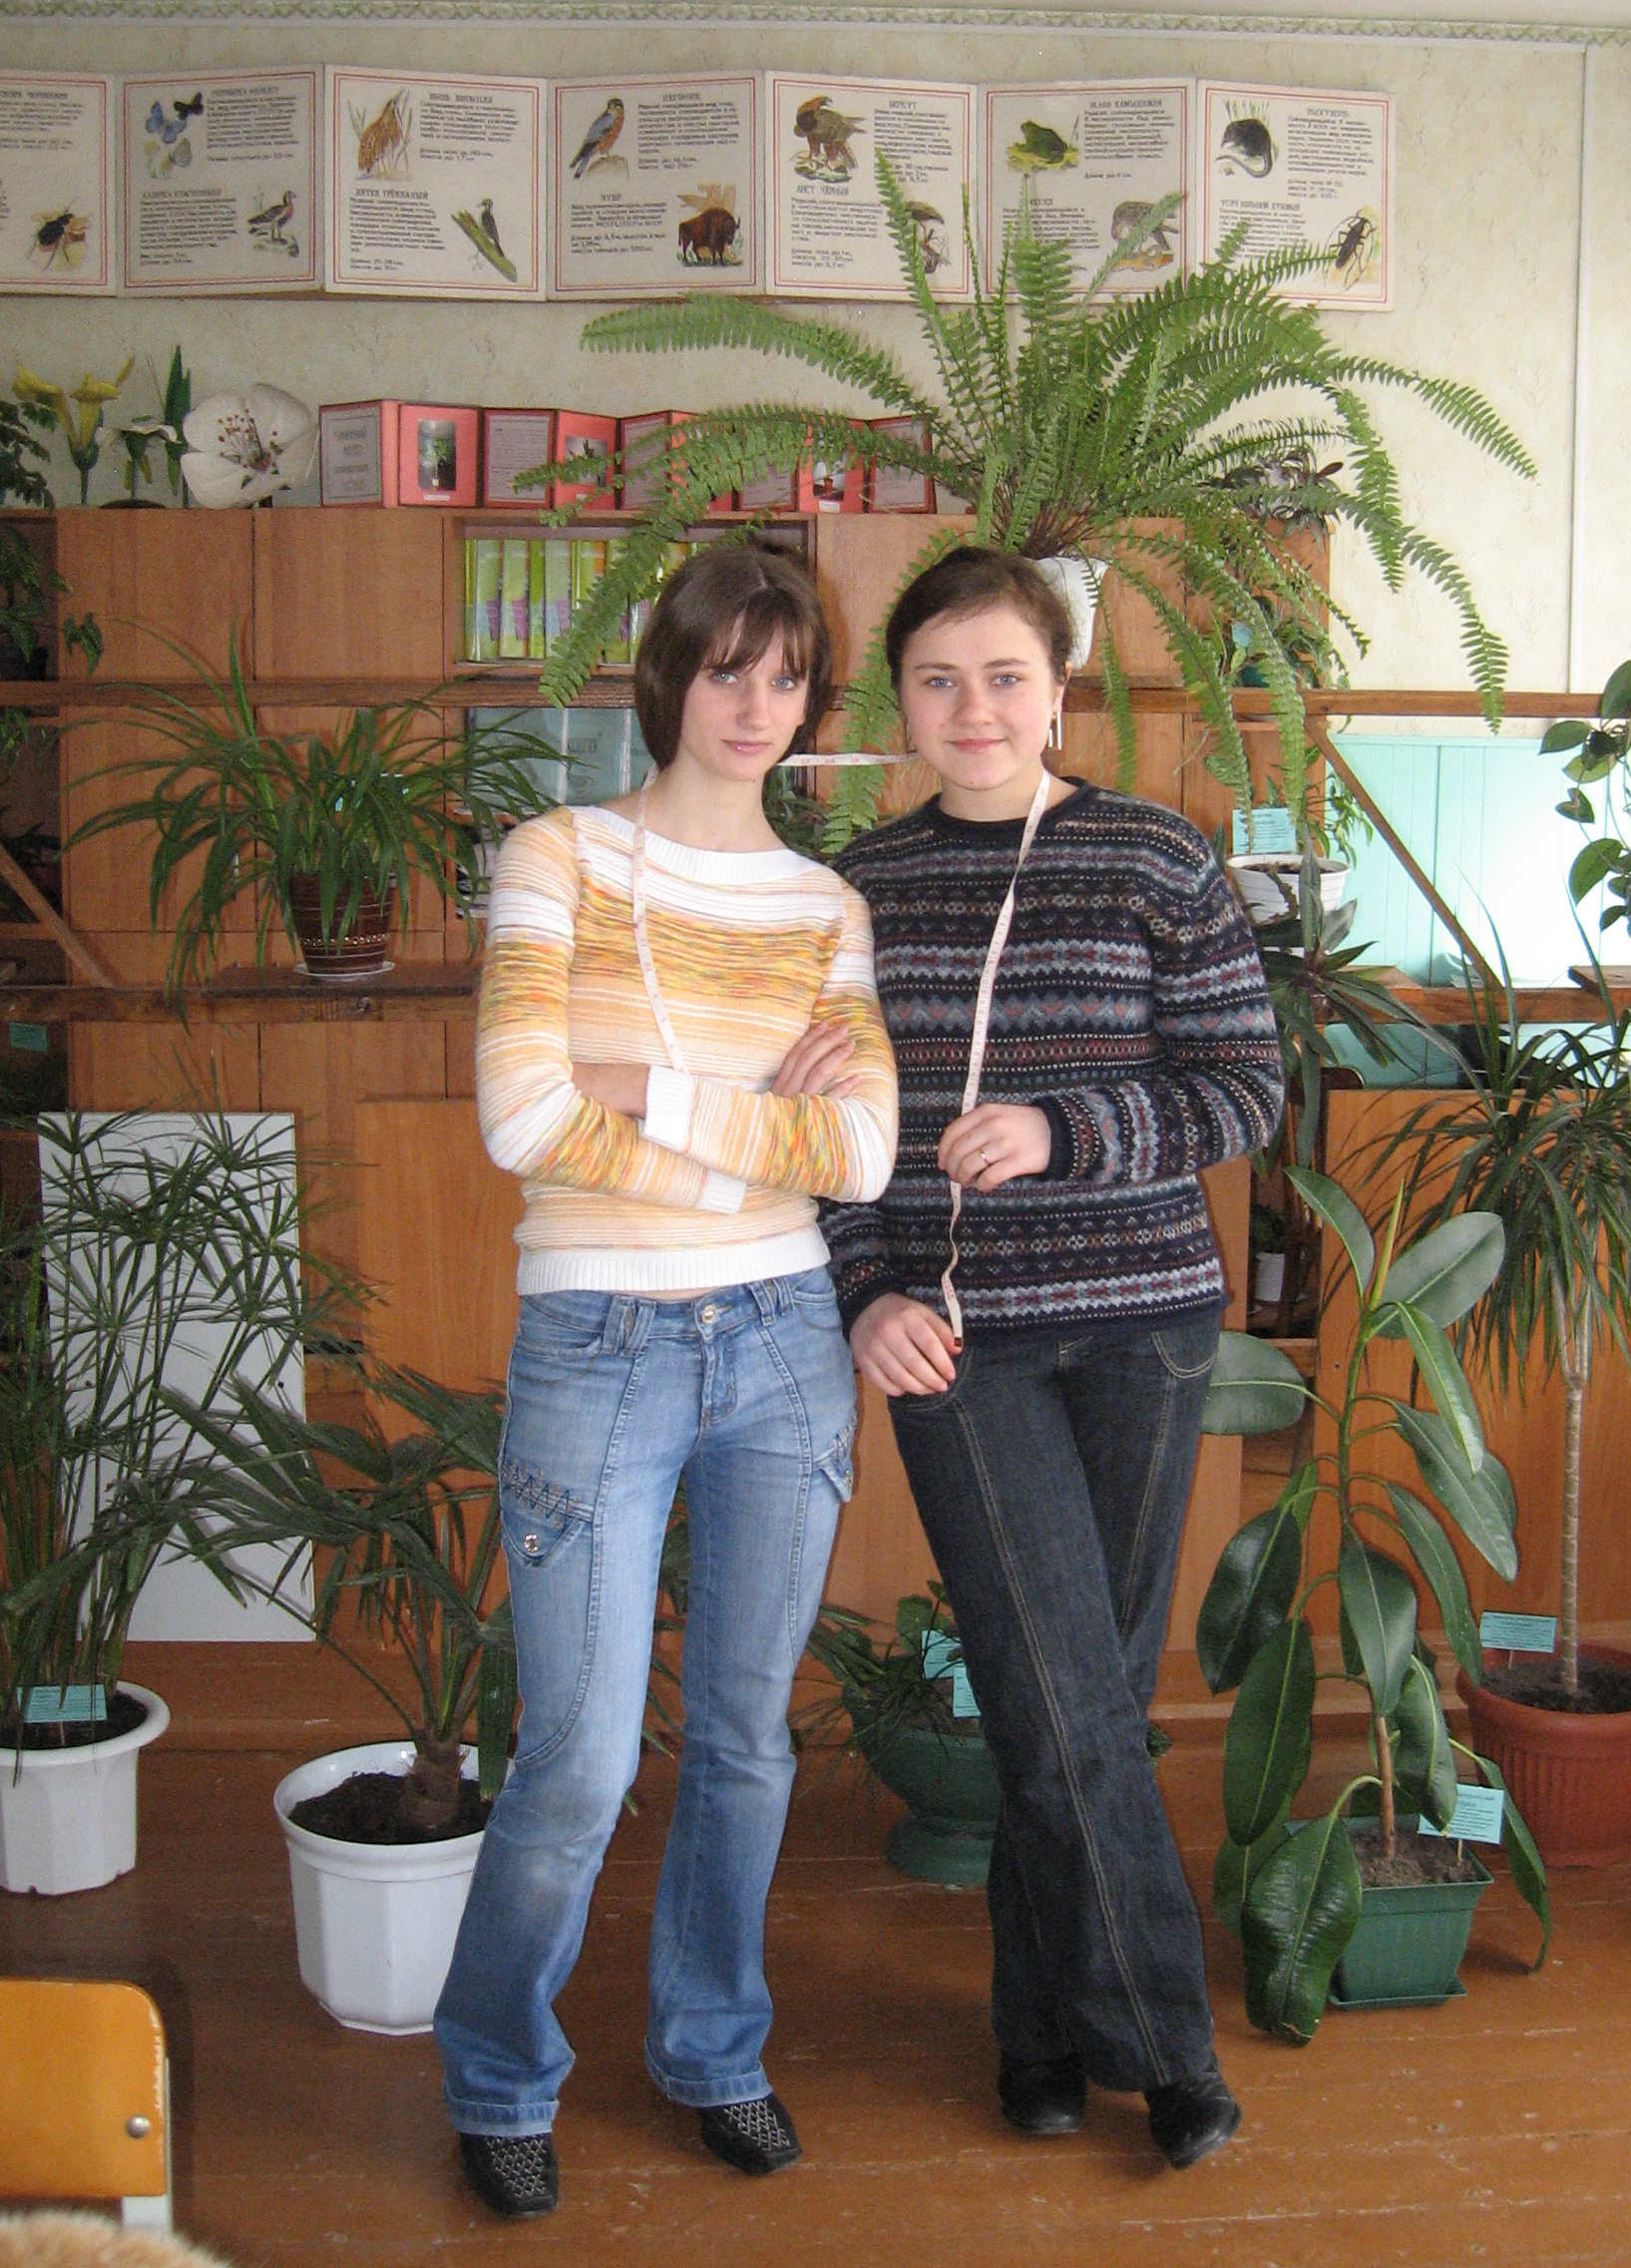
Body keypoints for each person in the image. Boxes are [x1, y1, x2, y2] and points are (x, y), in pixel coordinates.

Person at [435, 540, 898, 2218]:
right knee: (574, 1760)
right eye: (725, 669)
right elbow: (520, 1117)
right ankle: (498, 2075)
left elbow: (859, 1155)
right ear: (669, 674)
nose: (755, 706)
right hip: (600, 1341)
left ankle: (715, 2051)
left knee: (747, 1741)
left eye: (787, 678)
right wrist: (754, 1118)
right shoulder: (557, 856)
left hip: (782, 1342)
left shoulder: (828, 909)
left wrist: (643, 1086)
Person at [824, 548, 1285, 2169]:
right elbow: (827, 1129)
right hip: (962, 1345)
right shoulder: (855, 891)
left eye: (1005, 675)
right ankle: (1169, 2053)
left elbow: (1243, 1088)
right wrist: (863, 1291)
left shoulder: (1155, 856)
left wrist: (1063, 1130)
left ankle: (1036, 2029)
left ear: (1059, 688)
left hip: (1146, 1324)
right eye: (939, 679)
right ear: (900, 702)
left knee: (1079, 1702)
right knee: (1057, 1692)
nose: (975, 708)